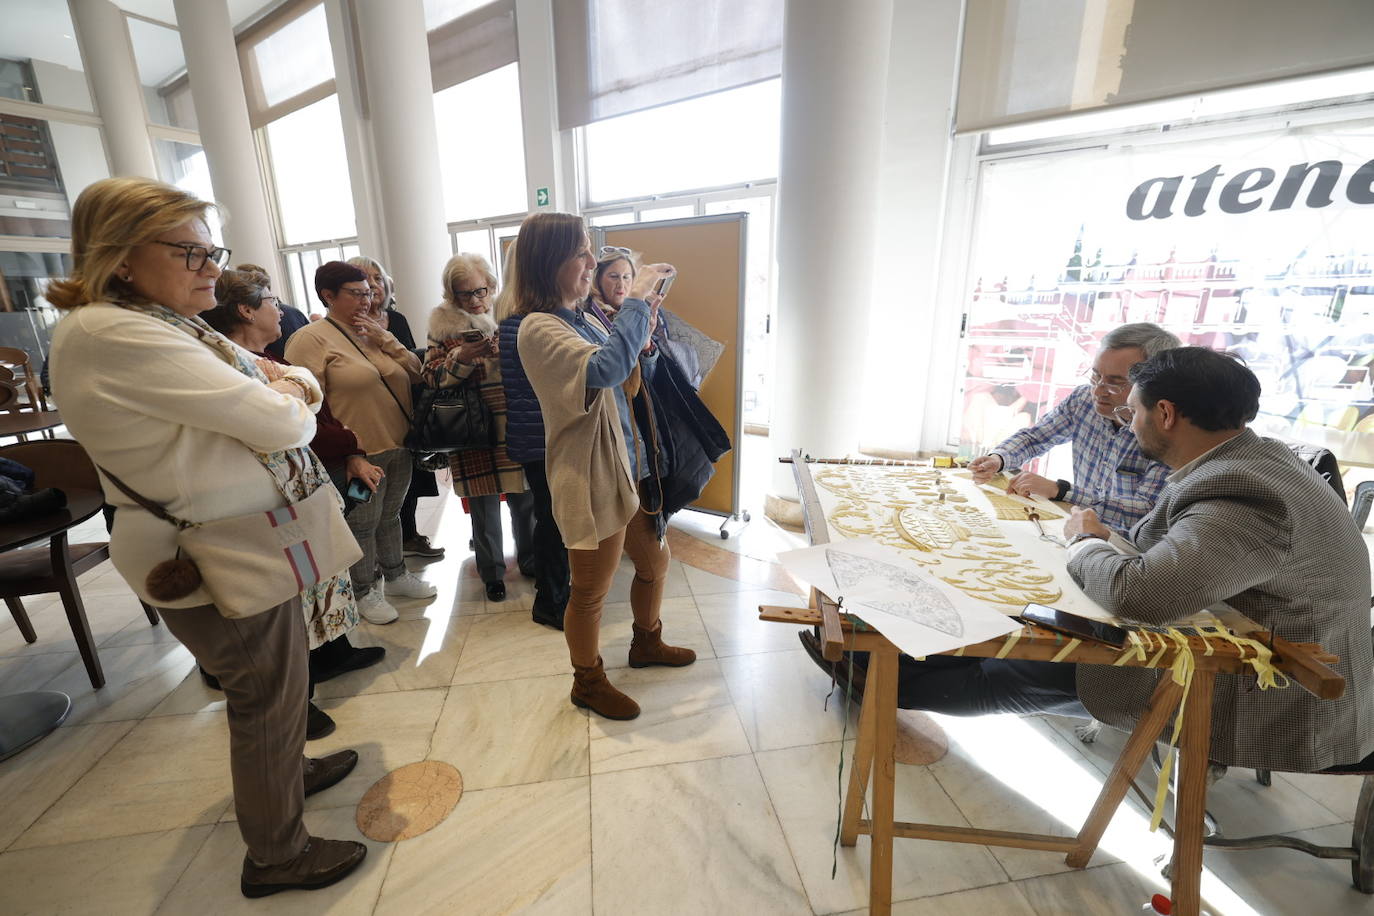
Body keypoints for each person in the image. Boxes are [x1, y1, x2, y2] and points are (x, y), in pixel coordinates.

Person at [814, 347, 1373, 774]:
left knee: (1000, 672)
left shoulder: (1244, 490)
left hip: (1269, 688)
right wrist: (1108, 538)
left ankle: (885, 676)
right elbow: (1172, 548)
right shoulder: (1253, 458)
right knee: (1007, 621)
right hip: (1235, 635)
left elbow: (1143, 596)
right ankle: (881, 659)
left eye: (1131, 410)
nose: (1126, 422)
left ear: (1167, 414)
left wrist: (1085, 541)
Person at [46, 176, 366, 897]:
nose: (213, 271)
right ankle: (277, 853)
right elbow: (284, 416)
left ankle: (289, 772)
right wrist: (286, 396)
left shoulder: (164, 323)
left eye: (210, 251)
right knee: (264, 692)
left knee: (277, 686)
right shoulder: (115, 331)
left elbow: (291, 379)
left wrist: (286, 391)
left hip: (235, 536)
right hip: (206, 550)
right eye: (190, 253)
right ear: (121, 256)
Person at [513, 212, 695, 721]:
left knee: (655, 564)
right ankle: (587, 682)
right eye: (581, 253)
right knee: (590, 591)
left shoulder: (583, 317)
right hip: (590, 473)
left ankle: (646, 643)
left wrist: (646, 336)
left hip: (628, 463)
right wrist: (634, 302)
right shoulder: (538, 327)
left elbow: (629, 376)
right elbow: (604, 369)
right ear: (550, 262)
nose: (592, 264)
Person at [203, 268, 387, 727]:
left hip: (297, 491)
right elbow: (291, 412)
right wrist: (302, 384)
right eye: (270, 300)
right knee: (289, 601)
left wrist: (302, 387)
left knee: (317, 582)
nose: (279, 309)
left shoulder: (263, 356)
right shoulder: (234, 364)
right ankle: (295, 708)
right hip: (266, 503)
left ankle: (330, 657)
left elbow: (309, 406)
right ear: (245, 309)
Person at [285, 262, 436, 625]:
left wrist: (384, 338)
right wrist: (350, 452)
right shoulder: (311, 339)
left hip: (398, 443)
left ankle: (396, 574)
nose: (366, 301)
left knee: (391, 515)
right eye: (356, 294)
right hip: (357, 454)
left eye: (369, 292)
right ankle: (364, 589)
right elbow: (307, 406)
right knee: (362, 522)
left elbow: (416, 373)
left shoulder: (373, 331)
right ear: (328, 296)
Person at [968, 322, 1181, 533]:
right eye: (1096, 376)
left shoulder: (1167, 430)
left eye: (1115, 383)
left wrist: (1059, 490)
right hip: (1081, 531)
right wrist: (999, 459)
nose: (1098, 391)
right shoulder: (1083, 400)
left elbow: (1145, 512)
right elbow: (1037, 437)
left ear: (1151, 384)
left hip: (1129, 548)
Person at [425, 253, 535, 601]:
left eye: (480, 290)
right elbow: (431, 377)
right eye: (464, 294)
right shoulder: (442, 326)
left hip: (516, 421)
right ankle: (492, 574)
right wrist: (464, 358)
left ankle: (531, 561)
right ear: (451, 295)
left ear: (492, 285)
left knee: (525, 498)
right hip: (472, 427)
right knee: (484, 505)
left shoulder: (511, 315)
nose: (474, 300)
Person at [348, 255, 444, 561]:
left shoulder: (396, 320)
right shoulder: (342, 328)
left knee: (408, 486)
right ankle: (364, 553)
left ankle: (408, 538)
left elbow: (414, 368)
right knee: (363, 494)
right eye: (363, 279)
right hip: (362, 427)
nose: (372, 285)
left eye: (376, 277)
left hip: (402, 418)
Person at [499, 246, 571, 629]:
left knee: (554, 520)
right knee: (553, 522)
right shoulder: (526, 324)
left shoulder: (527, 320)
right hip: (542, 440)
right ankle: (550, 600)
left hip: (543, 437)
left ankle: (558, 592)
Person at [232, 261, 309, 360]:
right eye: (273, 301)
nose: (281, 312)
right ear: (247, 310)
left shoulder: (268, 361)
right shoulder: (242, 365)